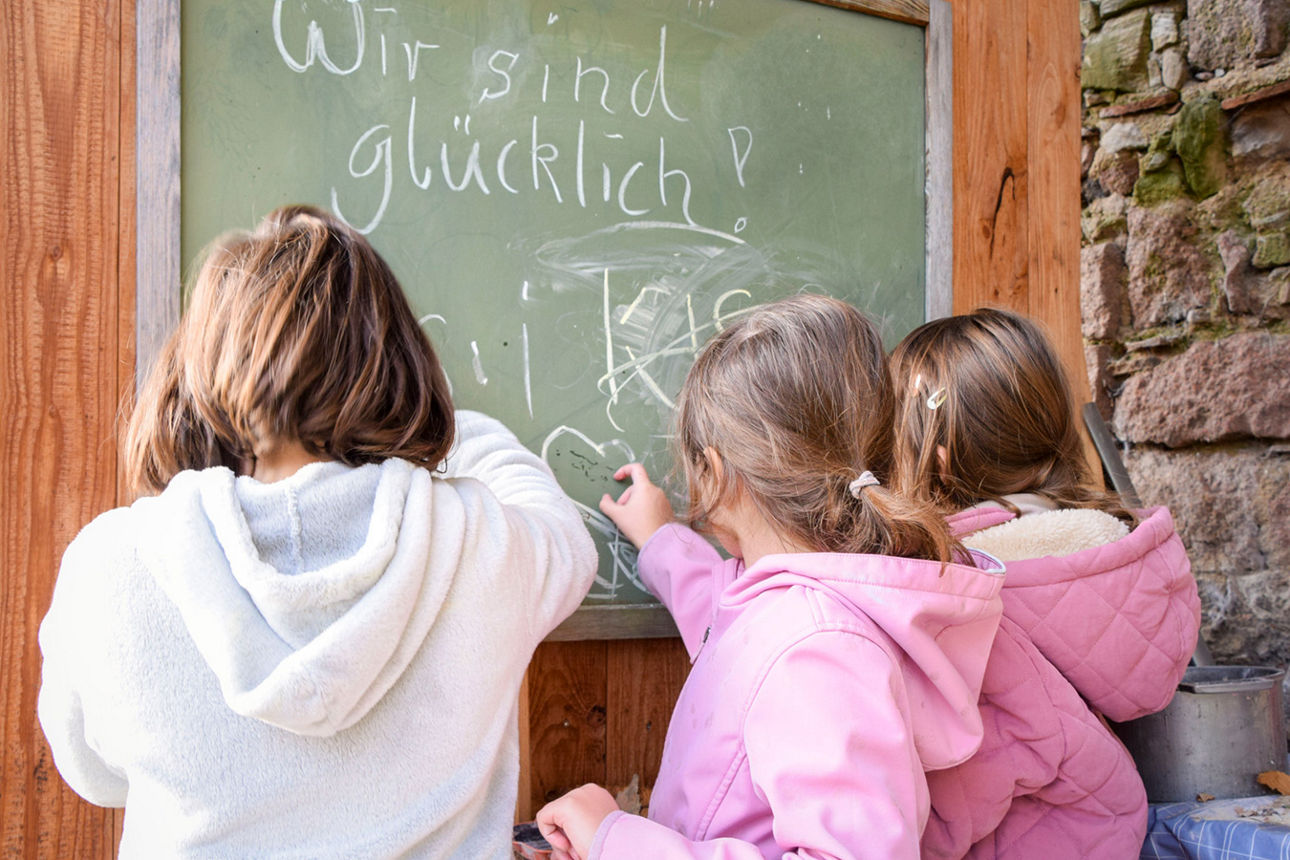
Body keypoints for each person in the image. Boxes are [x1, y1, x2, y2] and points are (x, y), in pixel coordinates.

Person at [37, 205, 597, 858]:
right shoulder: (481, 543)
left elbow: (93, 774)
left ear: (202, 371)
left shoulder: (112, 564)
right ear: (400, 365)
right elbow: (565, 535)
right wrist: (443, 423)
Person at [536, 294, 1007, 860]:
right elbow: (726, 622)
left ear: (714, 474)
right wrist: (659, 539)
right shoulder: (802, 603)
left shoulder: (818, 651)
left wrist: (619, 844)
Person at [889, 307, 1201, 860]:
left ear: (936, 457)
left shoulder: (962, 590)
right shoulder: (1107, 548)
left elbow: (955, 797)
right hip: (1096, 830)